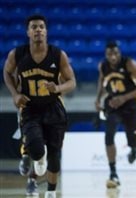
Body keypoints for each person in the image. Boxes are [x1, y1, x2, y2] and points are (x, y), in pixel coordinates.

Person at [3, 14, 76, 198]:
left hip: (53, 107)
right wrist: (15, 94)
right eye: (34, 27)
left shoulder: (58, 54)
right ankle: (34, 161)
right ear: (28, 32)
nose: (38, 30)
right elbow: (6, 72)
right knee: (36, 148)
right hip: (30, 107)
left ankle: (51, 193)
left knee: (54, 156)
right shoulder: (17, 54)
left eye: (41, 27)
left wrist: (58, 87)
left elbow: (72, 82)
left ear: (46, 31)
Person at [95, 41, 136, 188]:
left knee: (131, 137)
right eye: (109, 54)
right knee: (109, 134)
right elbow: (101, 82)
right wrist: (98, 99)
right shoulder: (103, 66)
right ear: (106, 55)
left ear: (119, 53)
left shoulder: (129, 64)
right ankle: (113, 172)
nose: (113, 57)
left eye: (115, 54)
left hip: (131, 103)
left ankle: (134, 148)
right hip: (113, 104)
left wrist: (124, 98)